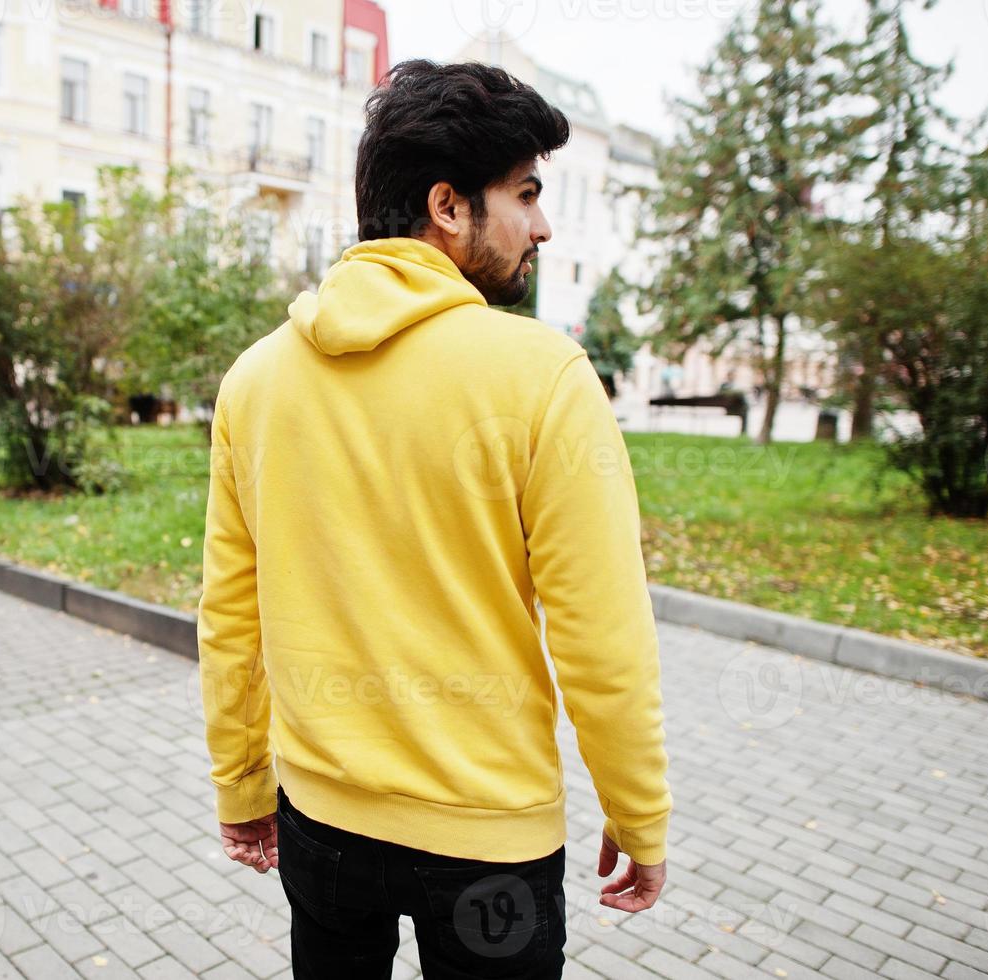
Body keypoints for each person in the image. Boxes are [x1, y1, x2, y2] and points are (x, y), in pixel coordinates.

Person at [197, 58, 671, 980]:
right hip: (485, 843)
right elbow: (600, 635)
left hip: (320, 828)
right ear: (447, 205)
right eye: (525, 194)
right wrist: (637, 809)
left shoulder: (256, 379)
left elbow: (230, 614)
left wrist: (241, 780)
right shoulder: (542, 375)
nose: (541, 224)